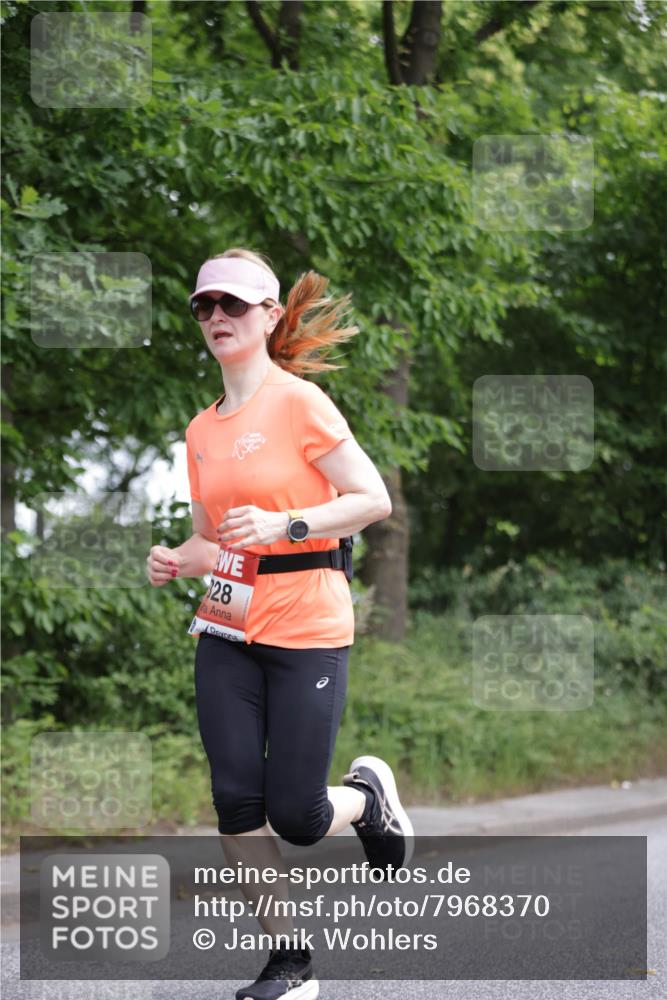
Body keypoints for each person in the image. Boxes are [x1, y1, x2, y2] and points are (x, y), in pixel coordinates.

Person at [146, 248, 414, 1000]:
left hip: (307, 625)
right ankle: (289, 962)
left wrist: (286, 523)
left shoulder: (299, 403)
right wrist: (178, 558)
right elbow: (215, 540)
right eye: (205, 306)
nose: (217, 318)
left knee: (297, 817)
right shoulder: (201, 430)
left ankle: (367, 798)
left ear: (268, 315)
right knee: (235, 800)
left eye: (233, 304)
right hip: (228, 628)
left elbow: (369, 500)